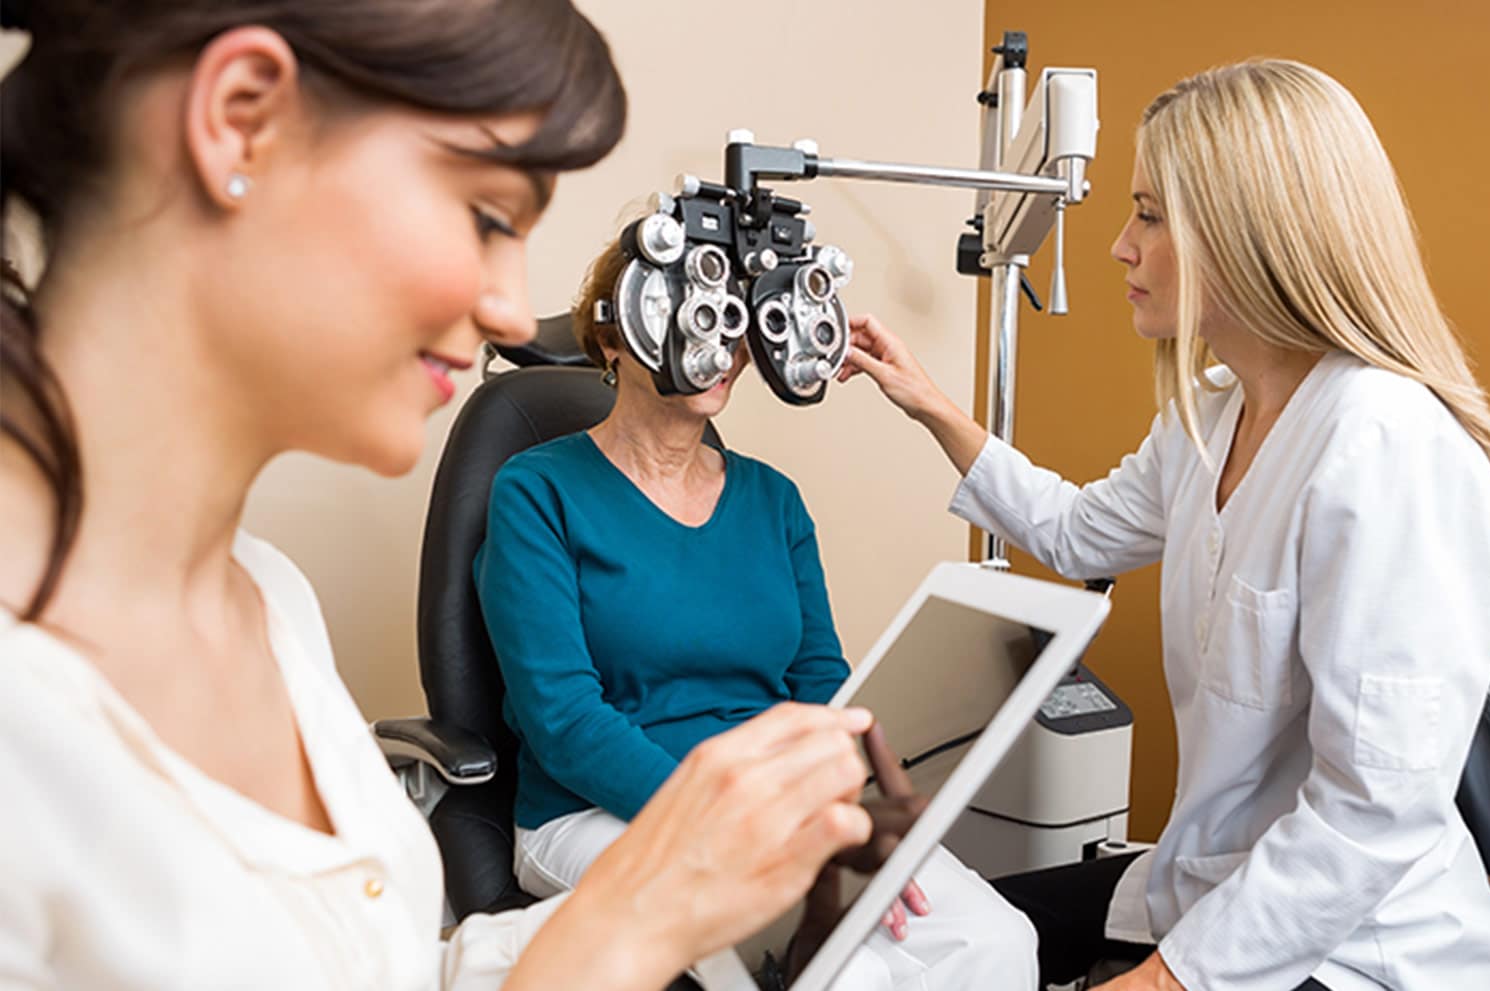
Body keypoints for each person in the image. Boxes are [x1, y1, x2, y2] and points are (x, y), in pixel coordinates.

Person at [0, 3, 885, 989]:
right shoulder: (27, 719)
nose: (512, 309)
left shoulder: (268, 602)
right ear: (242, 119)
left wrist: (645, 908)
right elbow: (563, 715)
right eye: (487, 215)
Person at [839, 59, 1490, 991]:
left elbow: (1371, 818)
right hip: (1213, 881)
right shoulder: (1210, 413)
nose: (1121, 245)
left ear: (1247, 232)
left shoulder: (1387, 448)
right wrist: (930, 405)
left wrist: (1162, 980)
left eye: (1151, 215)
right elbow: (1078, 532)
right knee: (921, 946)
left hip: (1358, 940)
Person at [472, 232, 1038, 988]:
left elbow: (823, 686)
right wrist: (742, 826)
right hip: (597, 811)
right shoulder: (537, 491)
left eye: (731, 319)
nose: (719, 342)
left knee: (996, 940)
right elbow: (565, 719)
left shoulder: (773, 500)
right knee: (848, 974)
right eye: (686, 313)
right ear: (613, 337)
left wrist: (842, 816)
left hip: (778, 806)